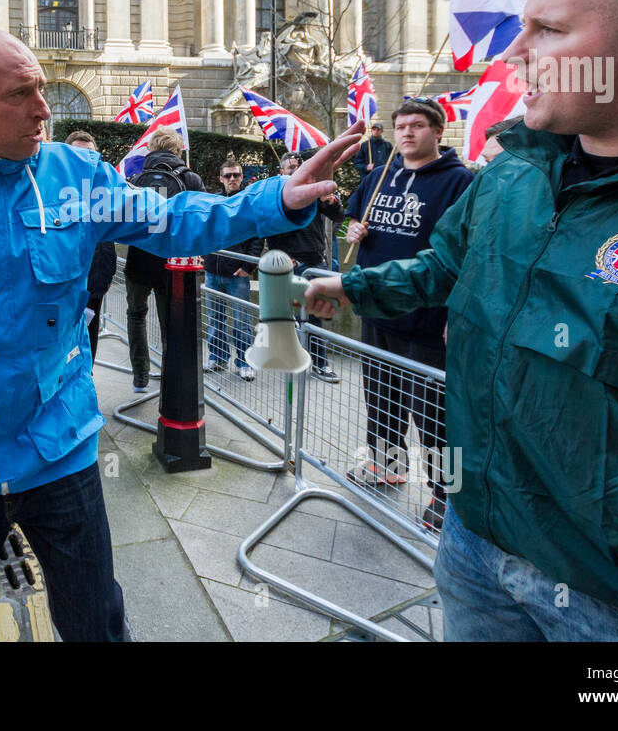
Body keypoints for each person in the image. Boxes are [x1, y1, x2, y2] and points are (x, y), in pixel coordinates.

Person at [0, 24, 364, 641]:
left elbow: (169, 217)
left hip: (57, 454)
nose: (44, 110)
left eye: (42, 89)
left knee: (96, 625)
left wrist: (276, 198)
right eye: (21, 95)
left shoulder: (77, 175)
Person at [304, 0, 618, 641]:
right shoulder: (514, 170)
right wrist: (349, 288)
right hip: (477, 547)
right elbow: (448, 266)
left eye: (547, 31)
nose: (516, 53)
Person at [341, 98, 474, 529]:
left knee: (435, 413)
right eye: (400, 126)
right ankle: (386, 464)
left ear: (438, 131)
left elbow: (467, 254)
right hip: (376, 311)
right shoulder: (379, 176)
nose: (407, 133)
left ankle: (449, 496)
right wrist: (354, 229)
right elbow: (350, 222)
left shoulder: (460, 183)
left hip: (426, 320)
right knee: (381, 399)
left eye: (417, 126)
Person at [123, 128, 204, 392]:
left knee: (136, 315)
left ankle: (139, 375)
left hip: (138, 260)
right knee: (171, 319)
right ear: (177, 150)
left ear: (152, 148)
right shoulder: (190, 178)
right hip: (173, 262)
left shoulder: (135, 178)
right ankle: (173, 374)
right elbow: (201, 219)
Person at [265, 151, 344, 382]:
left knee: (315, 316)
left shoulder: (314, 189)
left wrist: (331, 200)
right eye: (290, 167)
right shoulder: (276, 194)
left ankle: (320, 364)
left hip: (313, 263)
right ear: (282, 172)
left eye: (299, 165)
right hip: (287, 264)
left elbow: (337, 213)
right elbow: (270, 227)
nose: (296, 169)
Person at [202, 158, 263, 381]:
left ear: (242, 177)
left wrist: (248, 266)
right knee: (215, 319)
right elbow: (205, 229)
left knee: (242, 321)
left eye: (236, 175)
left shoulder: (249, 203)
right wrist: (204, 255)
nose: (232, 179)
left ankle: (244, 362)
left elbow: (258, 237)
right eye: (227, 175)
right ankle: (217, 357)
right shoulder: (214, 202)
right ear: (221, 178)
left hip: (238, 273)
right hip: (212, 270)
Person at [64, 130, 116, 361]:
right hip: (60, 281)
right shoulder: (53, 186)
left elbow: (107, 239)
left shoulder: (105, 190)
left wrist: (107, 276)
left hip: (94, 280)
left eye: (90, 154)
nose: (85, 159)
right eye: (78, 153)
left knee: (89, 335)